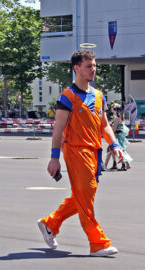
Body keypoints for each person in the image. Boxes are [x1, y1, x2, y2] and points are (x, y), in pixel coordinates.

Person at [37, 50, 123, 257]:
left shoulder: (99, 95)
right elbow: (58, 129)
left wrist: (115, 145)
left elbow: (104, 126)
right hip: (75, 151)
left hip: (95, 152)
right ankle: (98, 243)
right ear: (77, 68)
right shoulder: (67, 97)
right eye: (88, 66)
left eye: (94, 66)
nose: (93, 70)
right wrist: (54, 157)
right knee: (86, 198)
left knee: (83, 196)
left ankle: (50, 223)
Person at [112, 104, 132, 171]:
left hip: (118, 135)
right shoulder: (121, 116)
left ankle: (124, 165)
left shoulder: (116, 118)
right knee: (122, 150)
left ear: (116, 110)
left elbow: (114, 129)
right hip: (121, 135)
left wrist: (110, 134)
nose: (113, 110)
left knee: (120, 150)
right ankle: (127, 164)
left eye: (114, 109)